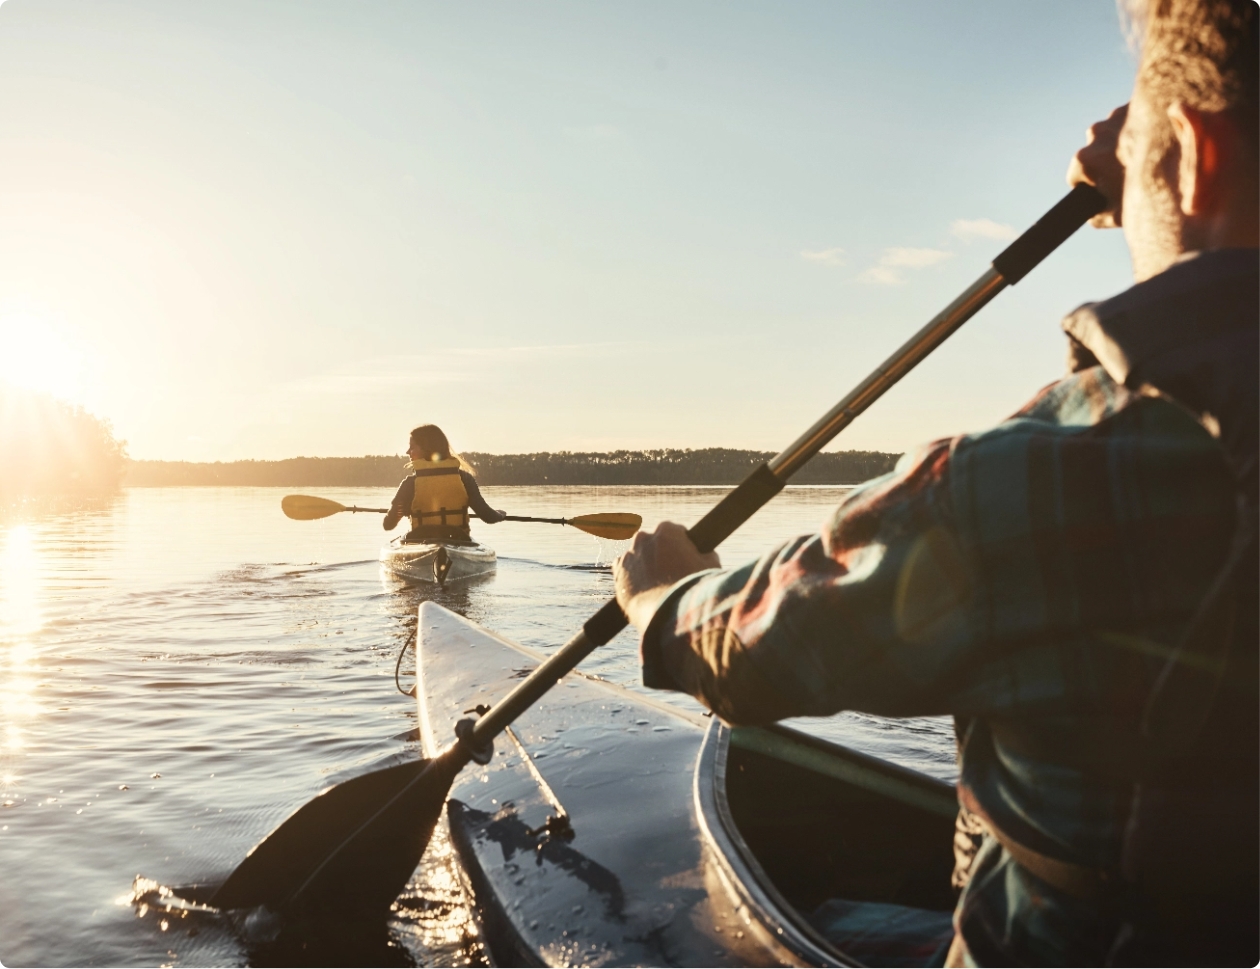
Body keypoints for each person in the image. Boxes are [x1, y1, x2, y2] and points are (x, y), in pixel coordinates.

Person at [612, 1, 1257, 965]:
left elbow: (754, 654)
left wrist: (663, 598)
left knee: (785, 918)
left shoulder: (1039, 476)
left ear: (1195, 153)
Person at [382, 424, 507, 542]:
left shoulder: (410, 484)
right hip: (458, 540)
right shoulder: (465, 479)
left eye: (412, 447)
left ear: (426, 449)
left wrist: (400, 512)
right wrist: (501, 514)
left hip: (419, 540)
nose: (408, 452)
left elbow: (388, 525)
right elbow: (488, 517)